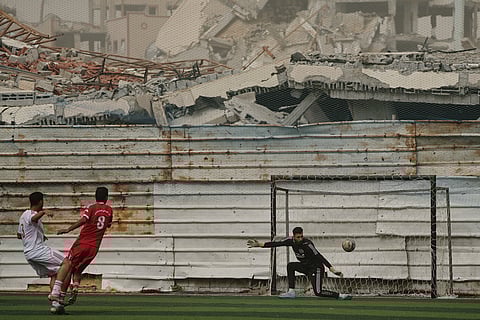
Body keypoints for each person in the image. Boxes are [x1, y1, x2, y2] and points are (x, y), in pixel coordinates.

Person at [48, 187, 113, 306]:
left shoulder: (92, 208)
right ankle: (76, 287)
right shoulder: (109, 210)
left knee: (68, 267)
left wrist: (68, 229)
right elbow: (107, 225)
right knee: (78, 270)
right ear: (106, 197)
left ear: (95, 196)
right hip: (94, 248)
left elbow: (84, 220)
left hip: (82, 243)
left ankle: (60, 298)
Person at [247, 226, 351, 300]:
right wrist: (260, 244)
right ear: (293, 236)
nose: (300, 238)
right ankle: (291, 292)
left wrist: (331, 268)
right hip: (305, 267)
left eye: (301, 236)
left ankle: (340, 296)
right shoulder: (290, 241)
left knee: (318, 292)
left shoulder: (308, 244)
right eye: (298, 237)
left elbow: (319, 256)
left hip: (316, 268)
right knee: (290, 266)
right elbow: (277, 243)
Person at [17, 192, 66, 312]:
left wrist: (38, 235)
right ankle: (55, 294)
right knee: (67, 262)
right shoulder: (30, 214)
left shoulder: (23, 216)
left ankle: (56, 305)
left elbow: (19, 234)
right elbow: (33, 219)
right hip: (37, 250)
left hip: (29, 254)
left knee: (55, 274)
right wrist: (43, 212)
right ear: (40, 201)